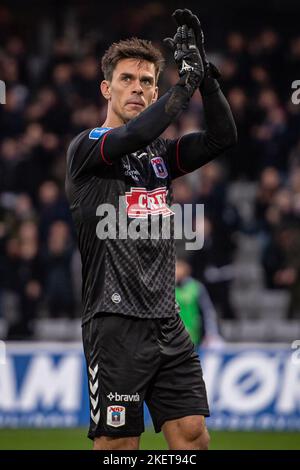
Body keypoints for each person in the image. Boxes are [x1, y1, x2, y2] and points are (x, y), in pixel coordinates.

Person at [65, 9, 237, 450]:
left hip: (167, 319)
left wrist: (207, 79)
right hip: (114, 321)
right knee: (118, 447)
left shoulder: (161, 154)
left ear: (154, 90)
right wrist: (184, 87)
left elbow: (222, 137)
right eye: (126, 79)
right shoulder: (88, 148)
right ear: (106, 87)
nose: (137, 89)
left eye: (146, 82)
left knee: (193, 437)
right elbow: (132, 136)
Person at [175, 257, 224, 348]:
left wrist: (211, 332)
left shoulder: (196, 287)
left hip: (194, 335)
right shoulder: (167, 288)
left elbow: (207, 311)